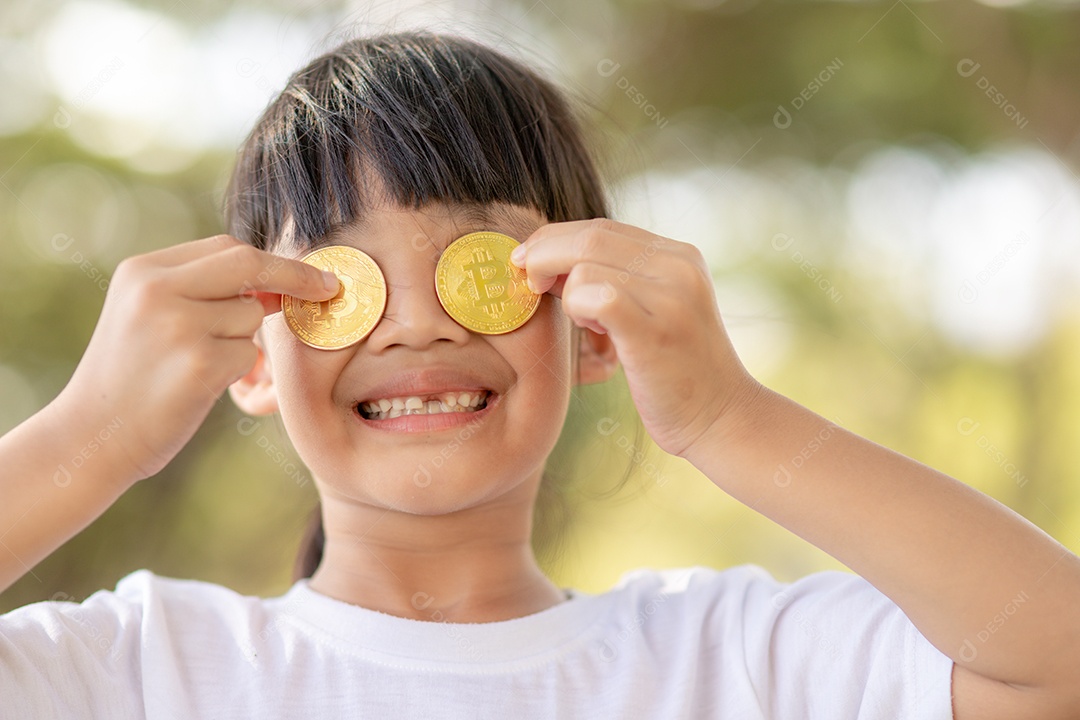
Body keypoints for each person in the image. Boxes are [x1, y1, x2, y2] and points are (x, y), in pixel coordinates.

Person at [0, 31, 1077, 720]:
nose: (415, 321)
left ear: (593, 326)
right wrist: (85, 439)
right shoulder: (131, 671)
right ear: (255, 355)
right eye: (343, 277)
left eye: (479, 265)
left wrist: (728, 419)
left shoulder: (741, 661)